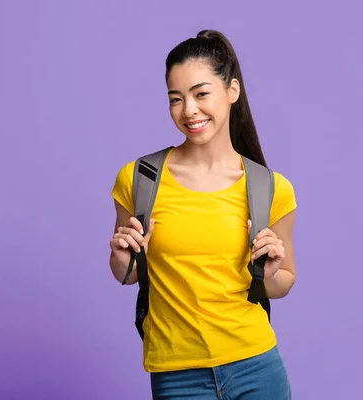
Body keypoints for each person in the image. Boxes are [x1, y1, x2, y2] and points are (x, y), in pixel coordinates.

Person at [109, 29, 297, 400]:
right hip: (177, 374)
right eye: (175, 99)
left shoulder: (269, 187)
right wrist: (121, 261)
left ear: (232, 91)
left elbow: (284, 281)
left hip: (256, 366)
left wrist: (268, 274)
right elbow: (127, 274)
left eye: (200, 94)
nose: (188, 111)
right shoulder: (140, 179)